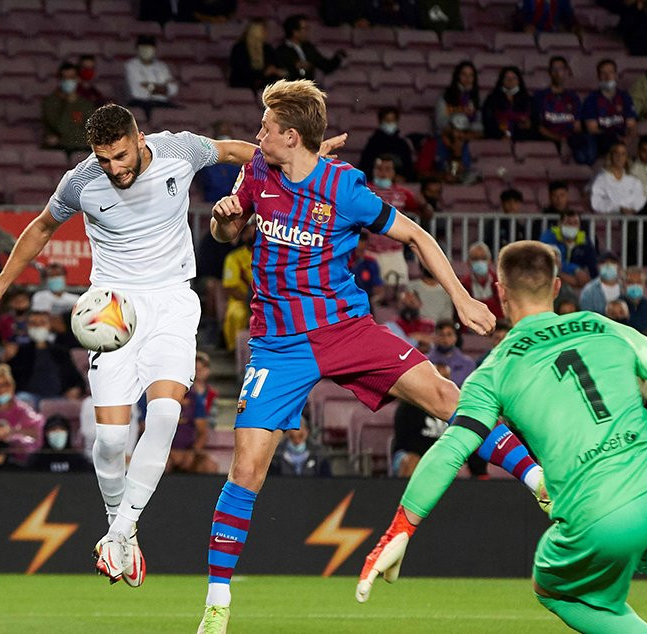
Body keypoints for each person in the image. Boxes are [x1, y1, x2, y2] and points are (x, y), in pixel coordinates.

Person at [197, 80, 545, 631]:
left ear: (292, 136)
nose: (257, 135)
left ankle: (536, 480)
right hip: (279, 343)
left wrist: (460, 298)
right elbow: (226, 231)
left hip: (345, 329)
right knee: (246, 468)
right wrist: (222, 218)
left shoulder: (344, 188)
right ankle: (217, 605)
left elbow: (418, 236)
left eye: (266, 128)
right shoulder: (258, 171)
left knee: (444, 395)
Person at [0, 102, 343, 588]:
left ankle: (118, 533)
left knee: (165, 415)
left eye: (120, 156)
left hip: (172, 302)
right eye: (104, 159)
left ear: (139, 139)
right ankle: (120, 530)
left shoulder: (178, 150)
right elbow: (42, 226)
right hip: (112, 309)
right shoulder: (81, 182)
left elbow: (237, 151)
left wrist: (302, 162)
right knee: (110, 441)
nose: (114, 168)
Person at [357, 240, 647, 634]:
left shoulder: (494, 370)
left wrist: (402, 527)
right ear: (555, 287)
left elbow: (451, 450)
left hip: (598, 505)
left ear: (500, 292)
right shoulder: (603, 327)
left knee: (554, 588)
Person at [5, 311, 85, 404]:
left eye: (42, 323)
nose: (38, 326)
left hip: (57, 398)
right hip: (29, 397)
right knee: (22, 399)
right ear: (27, 326)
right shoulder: (20, 351)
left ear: (49, 326)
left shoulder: (60, 352)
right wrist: (5, 359)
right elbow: (0, 376)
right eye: (33, 323)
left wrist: (77, 389)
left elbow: (77, 379)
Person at [0, 363, 44, 458]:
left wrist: (11, 432)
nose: (1, 389)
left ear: (12, 388)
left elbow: (37, 433)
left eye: (5, 385)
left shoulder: (23, 411)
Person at [580, 58, 638, 159]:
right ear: (598, 76)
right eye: (603, 73)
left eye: (611, 72)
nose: (607, 77)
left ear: (615, 75)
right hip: (603, 139)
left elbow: (631, 125)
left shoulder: (624, 97)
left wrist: (628, 138)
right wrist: (614, 138)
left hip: (622, 138)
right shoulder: (591, 99)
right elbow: (592, 128)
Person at [533, 56, 586, 164]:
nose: (558, 73)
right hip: (547, 138)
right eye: (554, 69)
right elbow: (538, 126)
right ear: (549, 72)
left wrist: (567, 140)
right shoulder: (540, 96)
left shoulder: (573, 97)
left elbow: (577, 125)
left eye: (561, 69)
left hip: (571, 140)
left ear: (566, 71)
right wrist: (559, 139)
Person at [169, 361, 218, 474]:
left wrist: (193, 452)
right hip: (164, 451)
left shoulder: (195, 398)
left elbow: (203, 433)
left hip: (189, 451)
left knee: (209, 466)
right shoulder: (160, 395)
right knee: (160, 465)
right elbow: (148, 428)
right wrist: (167, 452)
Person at [273, 14, 344, 82]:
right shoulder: (281, 51)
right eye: (305, 29)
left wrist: (338, 57)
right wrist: (294, 67)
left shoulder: (309, 48)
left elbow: (325, 66)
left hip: (309, 87)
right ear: (295, 32)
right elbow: (281, 73)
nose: (307, 32)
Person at [42, 62, 96, 152]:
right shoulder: (50, 102)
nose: (68, 81)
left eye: (71, 78)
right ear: (59, 80)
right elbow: (60, 128)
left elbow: (89, 131)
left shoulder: (85, 104)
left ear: (77, 79)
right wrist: (69, 103)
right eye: (64, 78)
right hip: (58, 149)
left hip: (81, 148)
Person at [538, 209, 597, 289]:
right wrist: (575, 270)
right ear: (560, 224)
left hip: (580, 286)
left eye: (575, 223)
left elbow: (591, 271)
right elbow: (552, 264)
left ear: (579, 226)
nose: (571, 226)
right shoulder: (549, 238)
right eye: (568, 223)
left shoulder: (585, 242)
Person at [415, 113, 477, 184]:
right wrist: (442, 176)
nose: (460, 135)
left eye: (463, 131)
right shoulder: (432, 144)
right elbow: (421, 174)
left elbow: (455, 172)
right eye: (456, 130)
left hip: (453, 187)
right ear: (449, 128)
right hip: (433, 185)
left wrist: (457, 154)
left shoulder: (463, 146)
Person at [360, 107, 416, 184]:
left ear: (397, 121)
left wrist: (402, 177)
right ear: (380, 121)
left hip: (398, 185)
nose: (389, 123)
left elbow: (409, 168)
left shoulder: (402, 144)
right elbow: (365, 166)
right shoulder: (372, 144)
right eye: (387, 120)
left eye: (392, 120)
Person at [125, 35, 179, 116]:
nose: (146, 51)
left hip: (162, 103)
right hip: (141, 104)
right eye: (143, 48)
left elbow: (173, 89)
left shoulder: (162, 66)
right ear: (137, 49)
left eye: (149, 48)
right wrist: (161, 88)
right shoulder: (131, 66)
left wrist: (149, 86)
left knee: (180, 112)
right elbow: (137, 92)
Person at [590, 141, 646, 215]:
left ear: (626, 157)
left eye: (623, 154)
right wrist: (618, 208)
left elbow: (640, 201)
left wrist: (632, 210)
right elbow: (596, 203)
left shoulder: (634, 181)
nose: (619, 157)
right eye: (616, 153)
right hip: (609, 218)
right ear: (611, 156)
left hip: (632, 218)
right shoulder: (601, 179)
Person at [222, 221, 254, 350]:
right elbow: (230, 287)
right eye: (248, 233)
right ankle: (236, 349)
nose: (251, 236)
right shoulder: (234, 257)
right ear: (243, 235)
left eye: (255, 232)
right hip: (241, 300)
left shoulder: (271, 256)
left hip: (267, 299)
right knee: (237, 314)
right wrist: (250, 300)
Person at [228, 19, 284, 93]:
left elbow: (275, 64)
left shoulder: (267, 48)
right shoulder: (240, 48)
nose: (266, 33)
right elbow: (241, 69)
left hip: (265, 82)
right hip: (244, 83)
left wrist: (275, 70)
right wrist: (263, 73)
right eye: (263, 30)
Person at [482, 66, 535, 141]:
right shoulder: (491, 99)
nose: (510, 80)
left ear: (519, 81)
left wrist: (528, 125)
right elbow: (488, 123)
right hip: (498, 139)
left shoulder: (528, 100)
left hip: (522, 139)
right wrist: (500, 135)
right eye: (507, 77)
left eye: (514, 78)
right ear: (502, 80)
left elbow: (535, 123)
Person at [29, 262, 78, 340]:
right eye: (51, 275)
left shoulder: (75, 299)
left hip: (70, 337)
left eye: (58, 274)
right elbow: (39, 320)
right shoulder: (39, 297)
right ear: (46, 279)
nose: (55, 278)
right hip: (45, 337)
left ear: (65, 277)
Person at [434, 61, 483, 138]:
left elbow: (480, 123)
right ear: (457, 76)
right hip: (449, 134)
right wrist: (460, 113)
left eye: (471, 75)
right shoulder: (446, 97)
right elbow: (440, 122)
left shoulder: (476, 98)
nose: (467, 78)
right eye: (464, 74)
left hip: (470, 134)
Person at [198, 123, 243, 203]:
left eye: (227, 133)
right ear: (215, 134)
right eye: (222, 133)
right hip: (210, 201)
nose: (225, 137)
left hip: (234, 201)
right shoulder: (207, 158)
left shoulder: (239, 159)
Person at [427, 321, 476, 387]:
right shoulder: (425, 362)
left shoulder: (468, 364)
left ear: (455, 337)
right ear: (435, 336)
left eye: (449, 334)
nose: (445, 338)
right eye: (441, 334)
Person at [460, 242, 501, 318]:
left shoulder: (498, 282)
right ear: (468, 262)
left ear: (489, 261)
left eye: (483, 258)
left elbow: (501, 309)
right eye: (475, 259)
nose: (480, 262)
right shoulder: (463, 284)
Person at [623, 268, 647, 332]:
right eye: (630, 282)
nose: (635, 285)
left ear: (644, 284)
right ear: (623, 284)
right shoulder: (615, 307)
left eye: (639, 282)